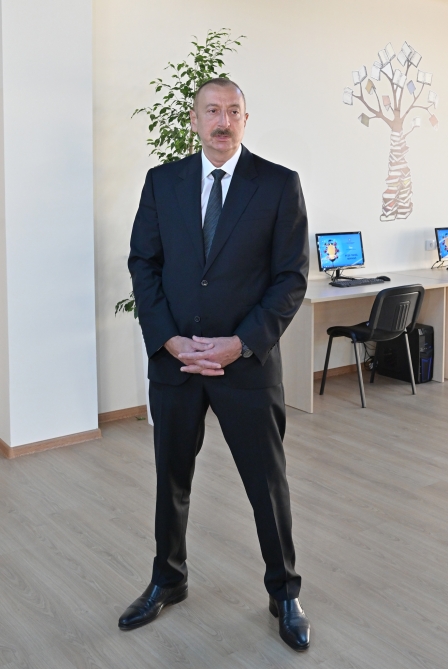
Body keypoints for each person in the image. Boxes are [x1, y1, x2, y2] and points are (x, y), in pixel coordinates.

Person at [119, 78, 310, 651]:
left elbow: (290, 279)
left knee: (267, 484)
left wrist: (241, 342)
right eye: (211, 111)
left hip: (246, 364)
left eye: (232, 111)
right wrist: (168, 340)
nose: (222, 121)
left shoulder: (278, 184)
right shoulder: (163, 182)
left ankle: (284, 593)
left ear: (246, 119)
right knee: (171, 478)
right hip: (176, 362)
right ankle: (168, 579)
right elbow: (144, 264)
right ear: (195, 120)